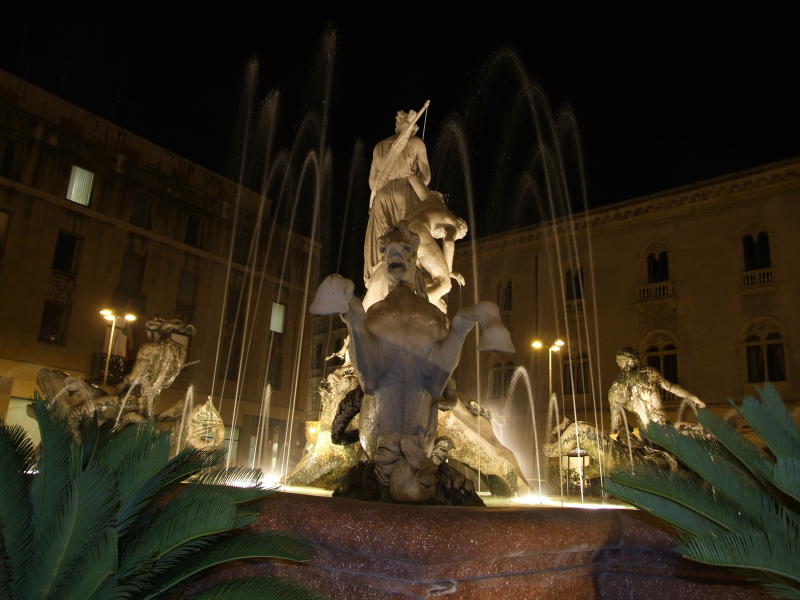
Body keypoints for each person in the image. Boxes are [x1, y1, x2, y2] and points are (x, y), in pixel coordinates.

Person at [363, 109, 431, 285]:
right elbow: (426, 177)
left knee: (384, 240)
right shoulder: (416, 143)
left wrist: (384, 189)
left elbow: (372, 182)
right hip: (406, 192)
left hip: (382, 196)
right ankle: (409, 279)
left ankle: (380, 277)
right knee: (406, 237)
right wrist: (414, 182)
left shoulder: (379, 146)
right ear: (411, 127)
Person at [608, 347, 705, 434]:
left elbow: (616, 423)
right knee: (702, 431)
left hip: (646, 434)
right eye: (636, 359)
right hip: (664, 429)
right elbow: (671, 387)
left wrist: (623, 433)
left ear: (620, 363)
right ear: (630, 360)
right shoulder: (647, 372)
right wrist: (692, 397)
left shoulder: (613, 390)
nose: (638, 362)